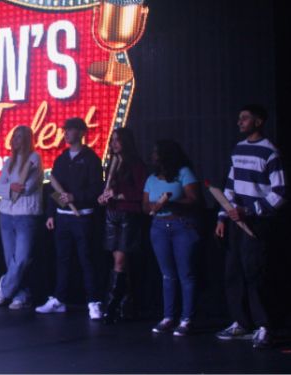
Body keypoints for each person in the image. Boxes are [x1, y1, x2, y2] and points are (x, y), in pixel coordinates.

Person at [214, 105, 286, 349]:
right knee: (233, 271)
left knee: (255, 273)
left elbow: (280, 193)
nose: (239, 122)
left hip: (257, 222)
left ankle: (265, 326)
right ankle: (241, 322)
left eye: (244, 118)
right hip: (236, 221)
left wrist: (251, 210)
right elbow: (230, 186)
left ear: (259, 121)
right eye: (239, 118)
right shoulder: (239, 149)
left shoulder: (270, 152)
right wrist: (223, 217)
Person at [36, 118, 104, 320]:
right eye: (65, 130)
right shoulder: (61, 159)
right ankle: (59, 300)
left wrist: (75, 198)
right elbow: (54, 189)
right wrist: (51, 212)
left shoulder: (91, 159)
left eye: (70, 130)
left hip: (83, 218)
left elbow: (96, 190)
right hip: (63, 218)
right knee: (62, 260)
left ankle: (93, 301)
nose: (66, 133)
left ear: (81, 132)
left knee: (86, 260)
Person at [143, 139, 199, 336]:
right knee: (167, 275)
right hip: (158, 226)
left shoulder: (183, 173)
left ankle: (187, 319)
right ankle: (168, 317)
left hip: (182, 225)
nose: (153, 156)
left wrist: (171, 202)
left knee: (186, 274)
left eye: (156, 152)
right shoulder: (151, 178)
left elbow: (194, 199)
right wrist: (154, 206)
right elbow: (145, 205)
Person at [96, 128, 146, 324]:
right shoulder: (111, 164)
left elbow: (142, 193)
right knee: (117, 261)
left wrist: (119, 196)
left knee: (120, 260)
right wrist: (104, 197)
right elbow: (108, 189)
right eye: (113, 140)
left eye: (118, 140)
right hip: (111, 213)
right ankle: (124, 307)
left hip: (128, 214)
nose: (114, 143)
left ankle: (111, 306)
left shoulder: (136, 164)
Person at [0, 125, 43, 310]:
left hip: (26, 216)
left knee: (21, 258)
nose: (15, 139)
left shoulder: (34, 159)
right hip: (5, 214)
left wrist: (14, 187)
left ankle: (5, 289)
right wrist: (10, 188)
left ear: (27, 139)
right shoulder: (9, 162)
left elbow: (27, 187)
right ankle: (21, 295)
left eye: (19, 136)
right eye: (14, 136)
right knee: (11, 259)